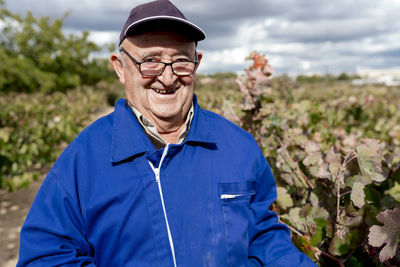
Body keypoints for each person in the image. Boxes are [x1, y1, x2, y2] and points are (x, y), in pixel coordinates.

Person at [17, 1, 316, 266]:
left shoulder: (238, 146)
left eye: (181, 60)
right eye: (151, 61)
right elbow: (46, 257)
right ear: (120, 68)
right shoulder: (83, 159)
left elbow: (264, 237)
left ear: (197, 64)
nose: (168, 76)